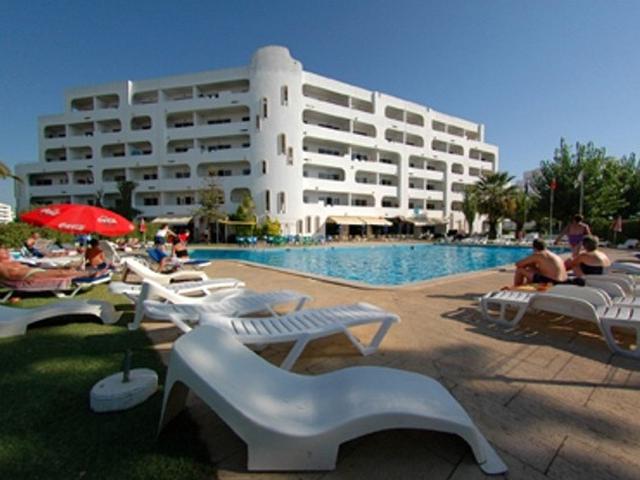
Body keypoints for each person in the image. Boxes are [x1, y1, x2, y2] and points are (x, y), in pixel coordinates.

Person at [0, 247, 103, 282]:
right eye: (4, 252)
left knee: (64, 270)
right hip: (27, 275)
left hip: (31, 271)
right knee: (61, 273)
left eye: (6, 251)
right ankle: (88, 274)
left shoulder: (11, 260)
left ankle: (84, 272)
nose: (7, 252)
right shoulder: (2, 265)